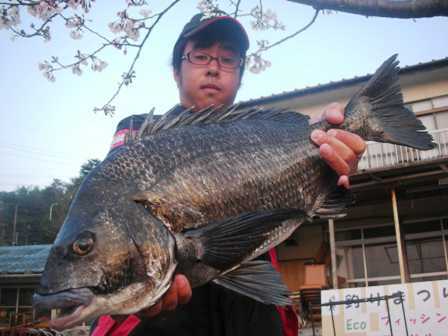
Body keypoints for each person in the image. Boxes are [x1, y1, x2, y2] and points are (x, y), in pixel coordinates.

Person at [93, 11, 366, 336]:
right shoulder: (138, 133)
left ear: (240, 75)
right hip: (160, 305)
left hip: (252, 299)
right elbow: (111, 211)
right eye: (201, 56)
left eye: (227, 59)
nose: (213, 67)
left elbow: (296, 209)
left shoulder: (263, 131)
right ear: (176, 71)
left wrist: (331, 158)